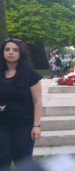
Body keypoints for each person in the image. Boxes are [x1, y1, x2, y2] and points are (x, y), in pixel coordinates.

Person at [0, 38, 43, 169]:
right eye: (7, 49)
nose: (11, 52)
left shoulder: (30, 75)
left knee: (23, 162)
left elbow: (37, 101)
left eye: (15, 50)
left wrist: (36, 126)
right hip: (2, 125)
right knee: (2, 160)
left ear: (21, 53)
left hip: (24, 125)